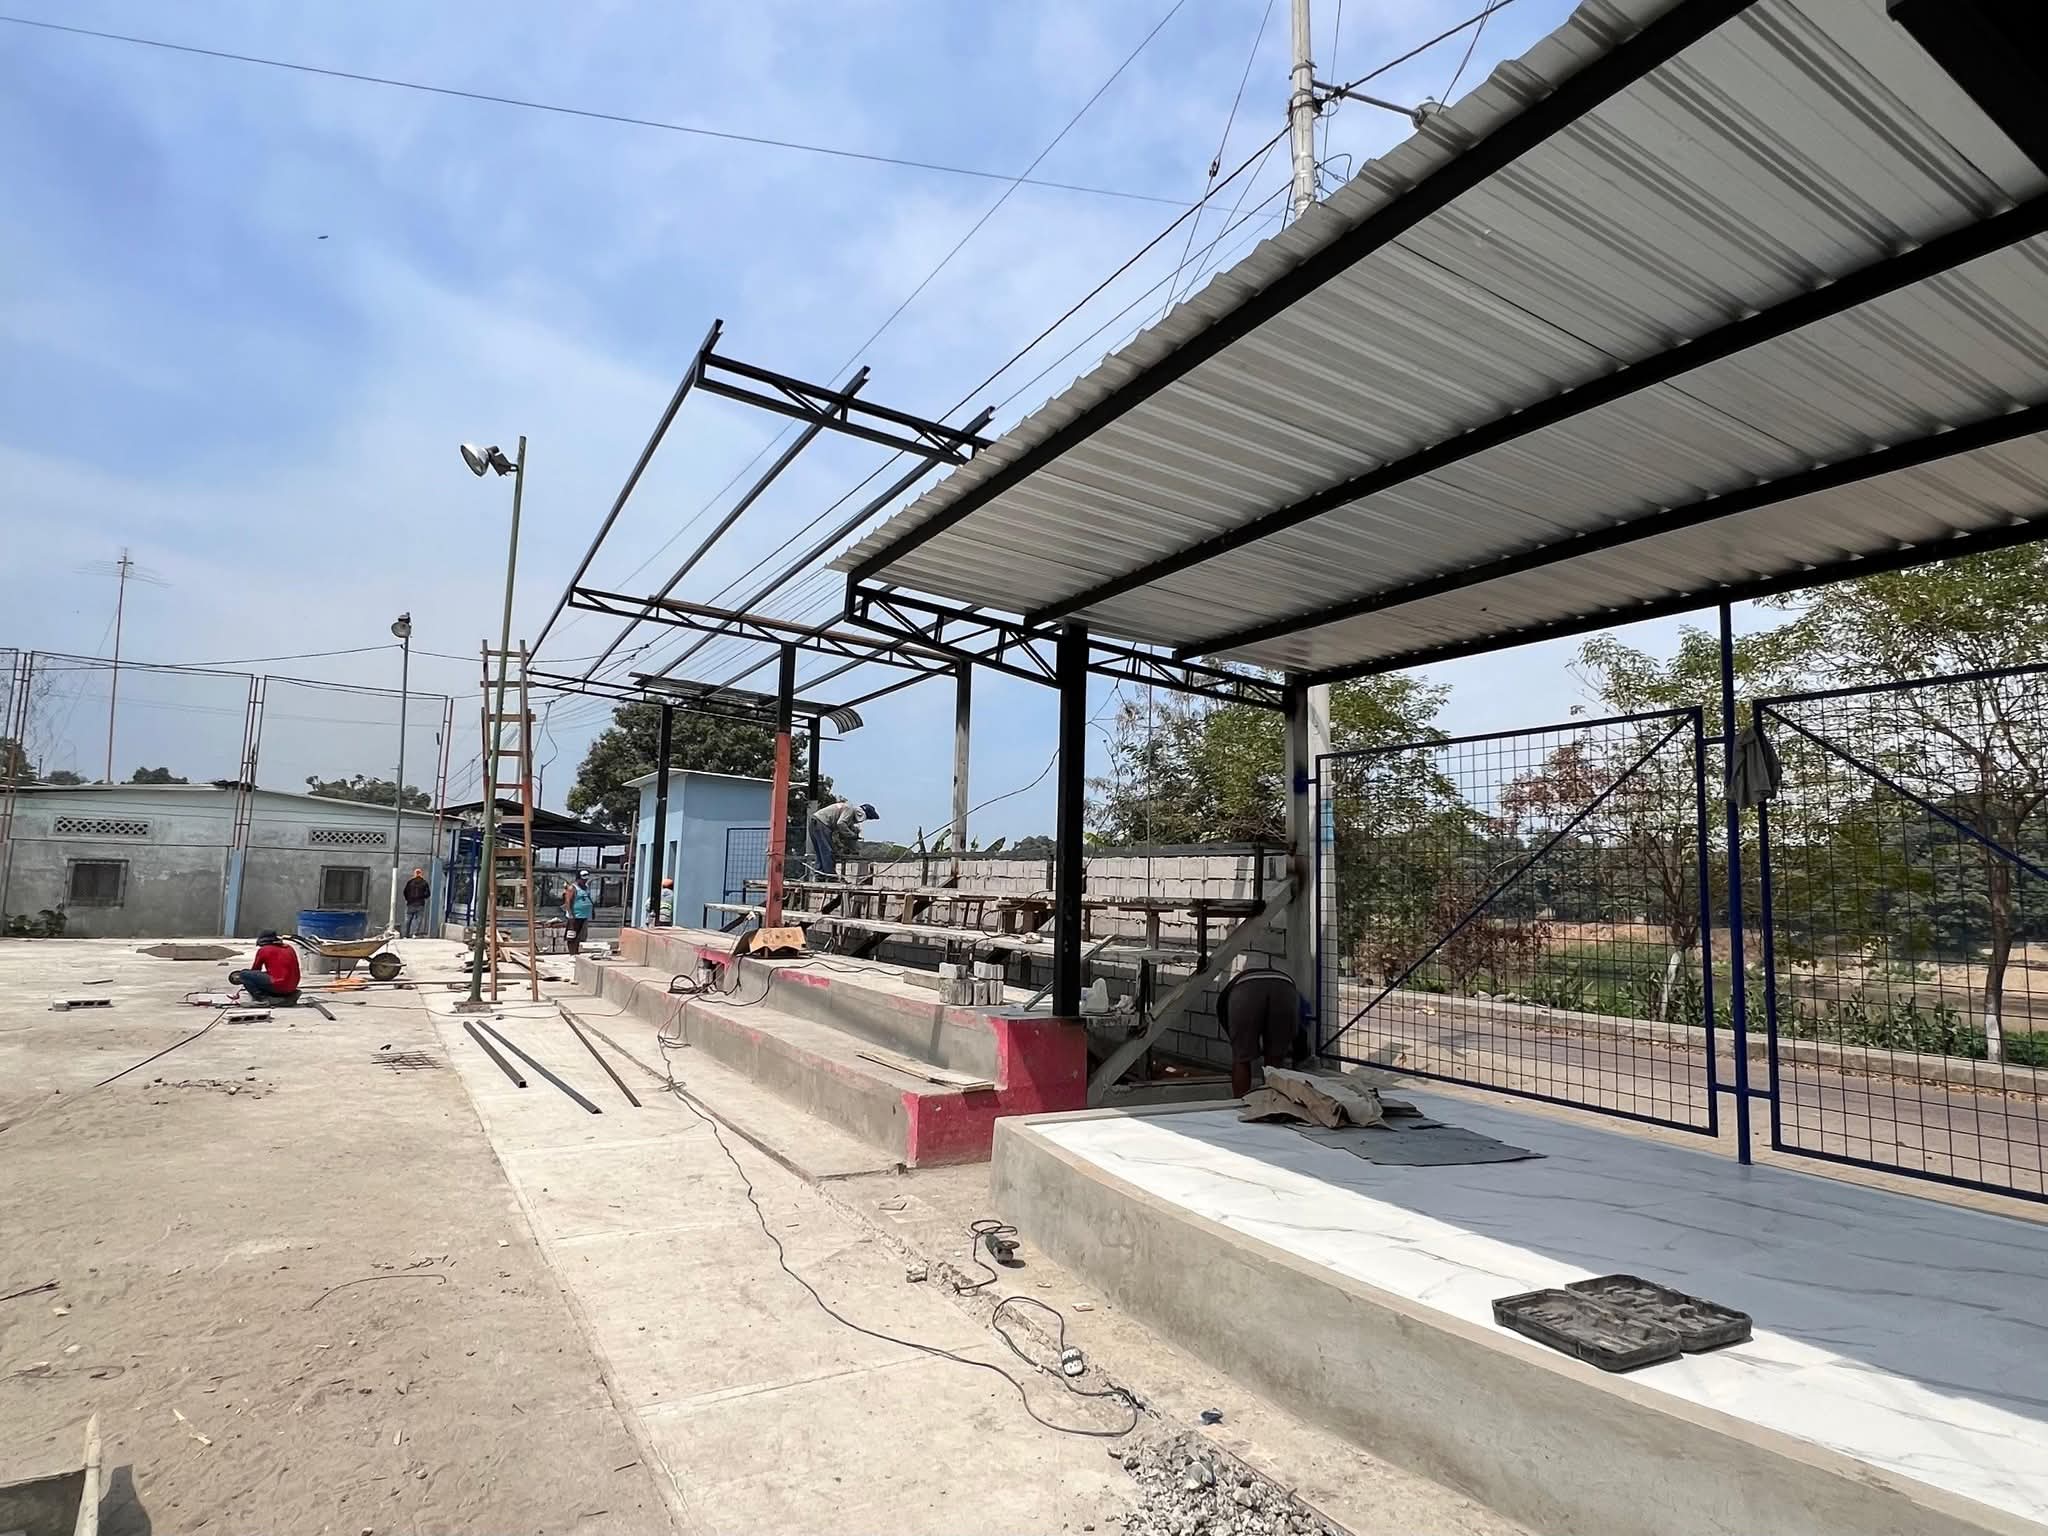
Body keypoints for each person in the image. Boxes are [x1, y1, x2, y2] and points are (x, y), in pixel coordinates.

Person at [1217, 963, 1300, 1100]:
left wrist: (1241, 1046)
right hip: (1285, 987)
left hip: (1245, 989)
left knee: (1241, 1059)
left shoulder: (1224, 1002)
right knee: (1275, 1058)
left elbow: (1233, 1030)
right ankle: (1273, 1102)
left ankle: (1240, 1103)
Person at [808, 798, 879, 877]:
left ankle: (820, 875)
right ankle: (831, 876)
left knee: (820, 852)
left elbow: (842, 830)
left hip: (815, 822)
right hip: (821, 823)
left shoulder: (847, 812)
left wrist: (850, 845)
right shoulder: (850, 810)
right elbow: (841, 824)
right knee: (827, 851)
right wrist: (852, 835)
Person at [230, 930, 301, 1005]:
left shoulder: (264, 950)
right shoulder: (289, 947)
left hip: (279, 985)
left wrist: (243, 979)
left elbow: (255, 969)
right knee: (265, 976)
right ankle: (286, 996)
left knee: (244, 974)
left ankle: (263, 999)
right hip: (292, 986)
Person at [562, 869, 595, 954]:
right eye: (583, 879)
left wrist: (592, 910)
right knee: (572, 934)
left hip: (584, 915)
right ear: (578, 879)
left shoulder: (586, 888)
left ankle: (576, 952)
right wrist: (571, 914)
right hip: (575, 916)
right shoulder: (572, 888)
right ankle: (572, 953)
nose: (585, 881)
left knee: (579, 935)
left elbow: (589, 898)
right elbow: (568, 902)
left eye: (586, 879)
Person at [401, 867, 431, 938]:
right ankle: (415, 933)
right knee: (418, 920)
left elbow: (405, 892)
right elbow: (428, 894)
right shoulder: (424, 883)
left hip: (410, 904)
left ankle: (406, 935)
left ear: (414, 873)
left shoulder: (410, 882)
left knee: (408, 920)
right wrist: (422, 897)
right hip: (420, 904)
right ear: (421, 874)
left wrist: (408, 899)